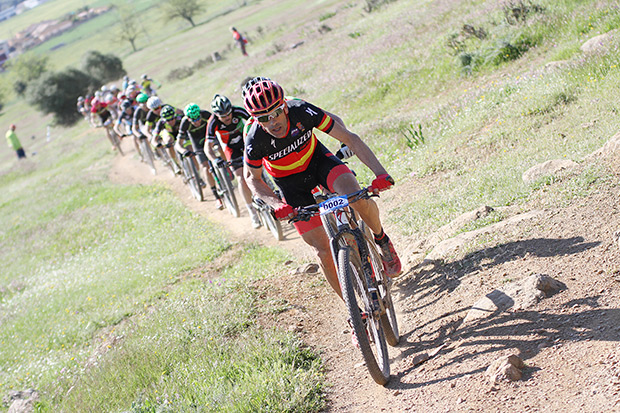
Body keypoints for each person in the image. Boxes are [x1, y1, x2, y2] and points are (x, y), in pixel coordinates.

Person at [242, 78, 402, 342]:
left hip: (319, 163)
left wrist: (380, 173)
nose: (272, 122)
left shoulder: (302, 111)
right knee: (322, 252)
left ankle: (381, 239)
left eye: (275, 113)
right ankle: (355, 313)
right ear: (255, 119)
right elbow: (254, 180)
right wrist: (276, 204)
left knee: (356, 196)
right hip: (290, 187)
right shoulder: (254, 140)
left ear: (284, 105)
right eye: (263, 117)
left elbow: (349, 137)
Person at [205, 94, 261, 227]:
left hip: (245, 141)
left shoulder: (238, 111)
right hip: (230, 148)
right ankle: (252, 212)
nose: (227, 118)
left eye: (228, 114)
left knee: (259, 167)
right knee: (241, 177)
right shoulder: (213, 122)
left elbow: (256, 122)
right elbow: (207, 147)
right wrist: (215, 160)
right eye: (223, 116)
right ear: (217, 115)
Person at [175, 103, 223, 209]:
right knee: (205, 168)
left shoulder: (205, 114)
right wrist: (183, 151)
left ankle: (227, 169)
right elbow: (178, 144)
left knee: (219, 147)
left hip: (208, 137)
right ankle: (217, 197)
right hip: (197, 143)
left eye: (198, 118)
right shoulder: (184, 123)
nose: (197, 122)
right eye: (194, 120)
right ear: (188, 119)